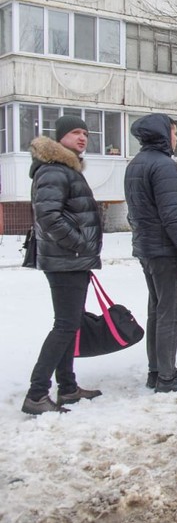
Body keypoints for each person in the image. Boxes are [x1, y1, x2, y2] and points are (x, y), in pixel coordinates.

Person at [22, 115, 103, 415]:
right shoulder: (55, 171)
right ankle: (36, 393)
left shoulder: (67, 169)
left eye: (84, 132)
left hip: (71, 260)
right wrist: (79, 244)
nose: (82, 137)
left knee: (71, 324)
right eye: (74, 132)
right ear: (60, 138)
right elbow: (49, 216)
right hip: (65, 260)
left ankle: (67, 387)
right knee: (65, 325)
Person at [124, 113, 177, 393]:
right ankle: (167, 377)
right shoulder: (164, 166)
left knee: (156, 310)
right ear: (161, 133)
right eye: (174, 132)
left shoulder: (136, 165)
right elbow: (172, 215)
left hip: (147, 248)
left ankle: (157, 370)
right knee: (170, 312)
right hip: (165, 249)